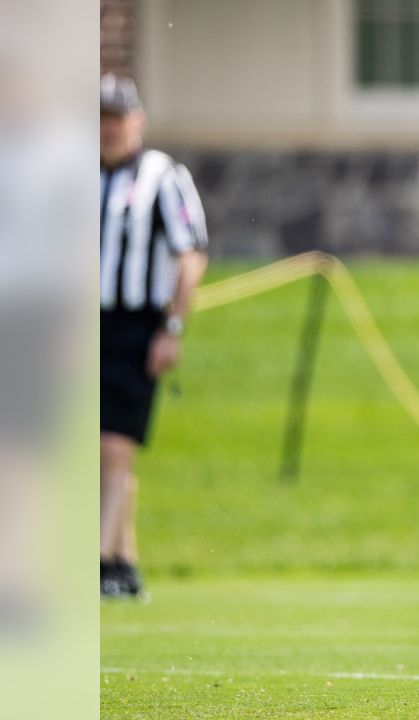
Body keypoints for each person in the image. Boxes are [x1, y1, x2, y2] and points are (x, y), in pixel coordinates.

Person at [99, 73, 208, 598]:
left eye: (116, 119)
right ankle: (124, 563)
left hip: (136, 325)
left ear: (135, 121)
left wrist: (172, 326)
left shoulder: (161, 176)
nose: (107, 129)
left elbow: (191, 255)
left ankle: (97, 562)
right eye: (99, 119)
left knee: (114, 446)